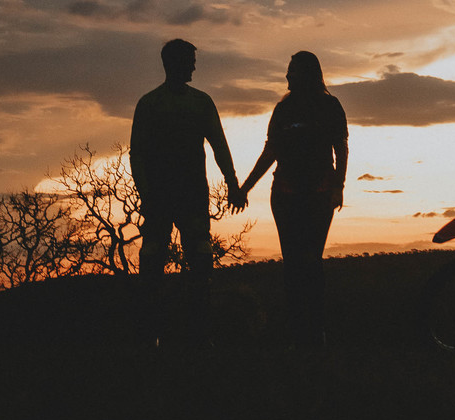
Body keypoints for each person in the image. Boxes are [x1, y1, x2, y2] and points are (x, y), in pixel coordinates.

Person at [237, 51, 348, 347]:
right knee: (292, 263)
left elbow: (341, 148)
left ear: (308, 74)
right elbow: (270, 152)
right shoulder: (283, 109)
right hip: (285, 194)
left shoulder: (330, 106)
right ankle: (297, 328)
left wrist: (338, 186)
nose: (287, 75)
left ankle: (315, 328)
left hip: (319, 194)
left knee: (311, 260)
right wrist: (246, 187)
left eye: (293, 70)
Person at [130, 38, 242, 290]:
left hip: (187, 192)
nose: (193, 67)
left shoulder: (196, 102)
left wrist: (232, 183)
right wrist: (146, 194)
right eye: (190, 62)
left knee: (197, 251)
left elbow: (219, 146)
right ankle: (154, 307)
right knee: (155, 252)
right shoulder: (153, 104)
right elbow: (137, 154)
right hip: (165, 193)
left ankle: (195, 305)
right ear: (174, 64)